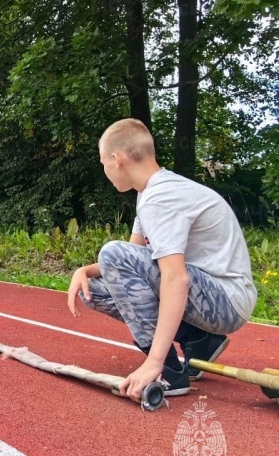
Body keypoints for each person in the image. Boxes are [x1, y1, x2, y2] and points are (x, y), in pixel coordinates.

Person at [67, 118, 257, 401]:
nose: (104, 169)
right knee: (92, 289)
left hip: (228, 299)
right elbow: (132, 261)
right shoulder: (148, 193)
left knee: (112, 252)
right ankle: (198, 339)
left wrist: (153, 361)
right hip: (208, 294)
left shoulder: (161, 198)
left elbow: (175, 277)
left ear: (117, 159)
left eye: (102, 162)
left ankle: (167, 368)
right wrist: (85, 270)